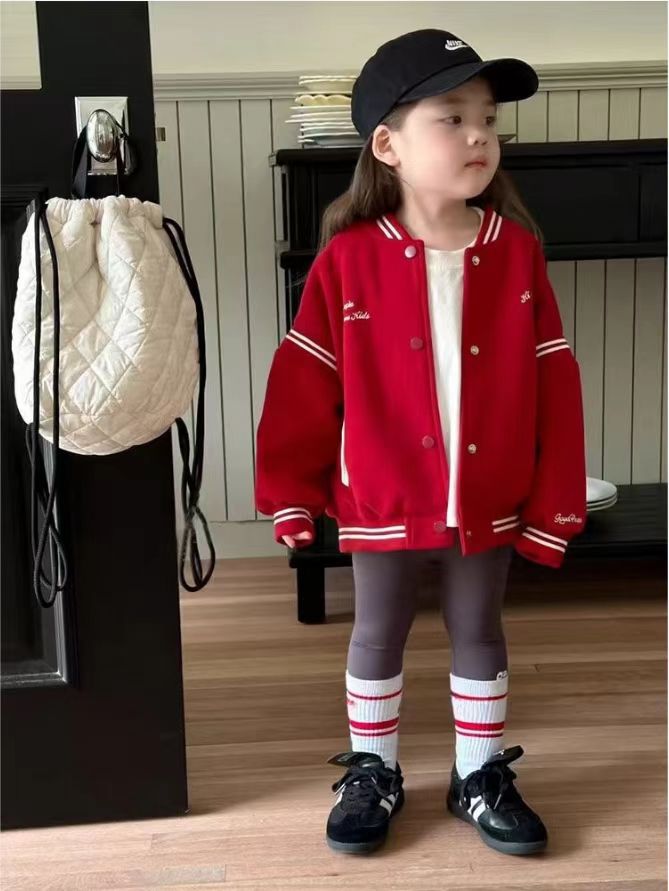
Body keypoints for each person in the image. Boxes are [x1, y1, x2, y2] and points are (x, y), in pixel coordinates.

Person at [255, 28, 587, 858]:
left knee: (479, 627)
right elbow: (304, 381)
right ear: (387, 145)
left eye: (488, 119)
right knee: (377, 630)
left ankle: (478, 773)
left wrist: (554, 503)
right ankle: (373, 769)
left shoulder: (515, 252)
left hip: (487, 494)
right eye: (452, 117)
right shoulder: (347, 260)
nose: (479, 135)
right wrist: (290, 492)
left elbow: (554, 380)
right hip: (381, 492)